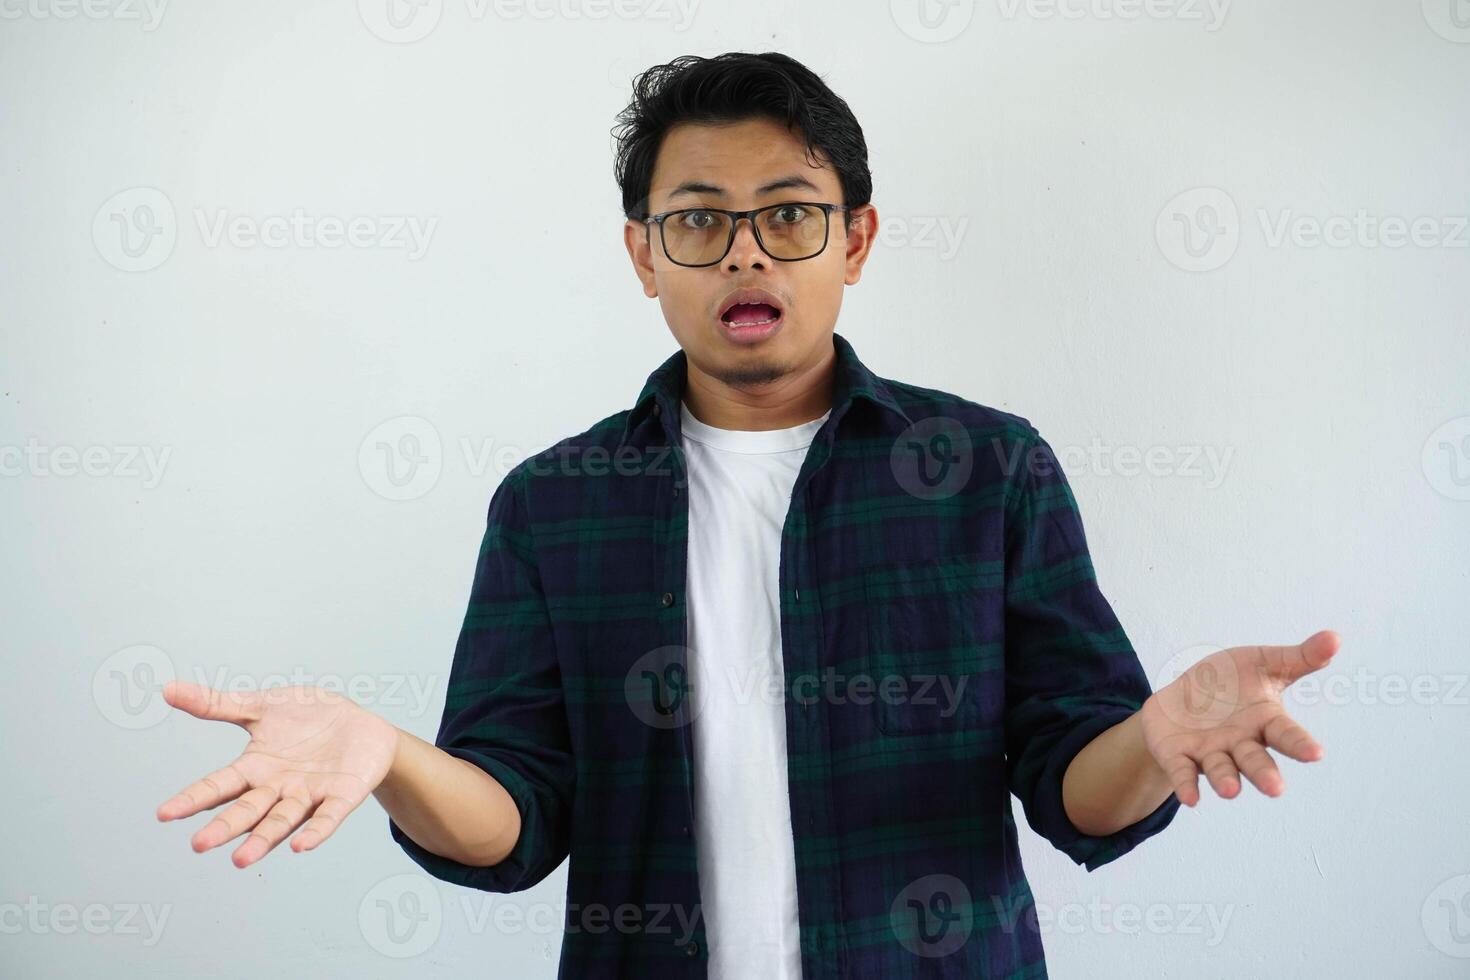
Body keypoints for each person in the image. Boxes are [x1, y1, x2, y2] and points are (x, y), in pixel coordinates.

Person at [156, 51, 1341, 980]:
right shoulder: (551, 505)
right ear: (642, 253)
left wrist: (1156, 738)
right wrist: (391, 757)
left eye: (788, 213)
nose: (744, 254)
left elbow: (1078, 788)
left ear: (856, 238)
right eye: (698, 219)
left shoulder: (985, 469)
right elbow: (509, 824)